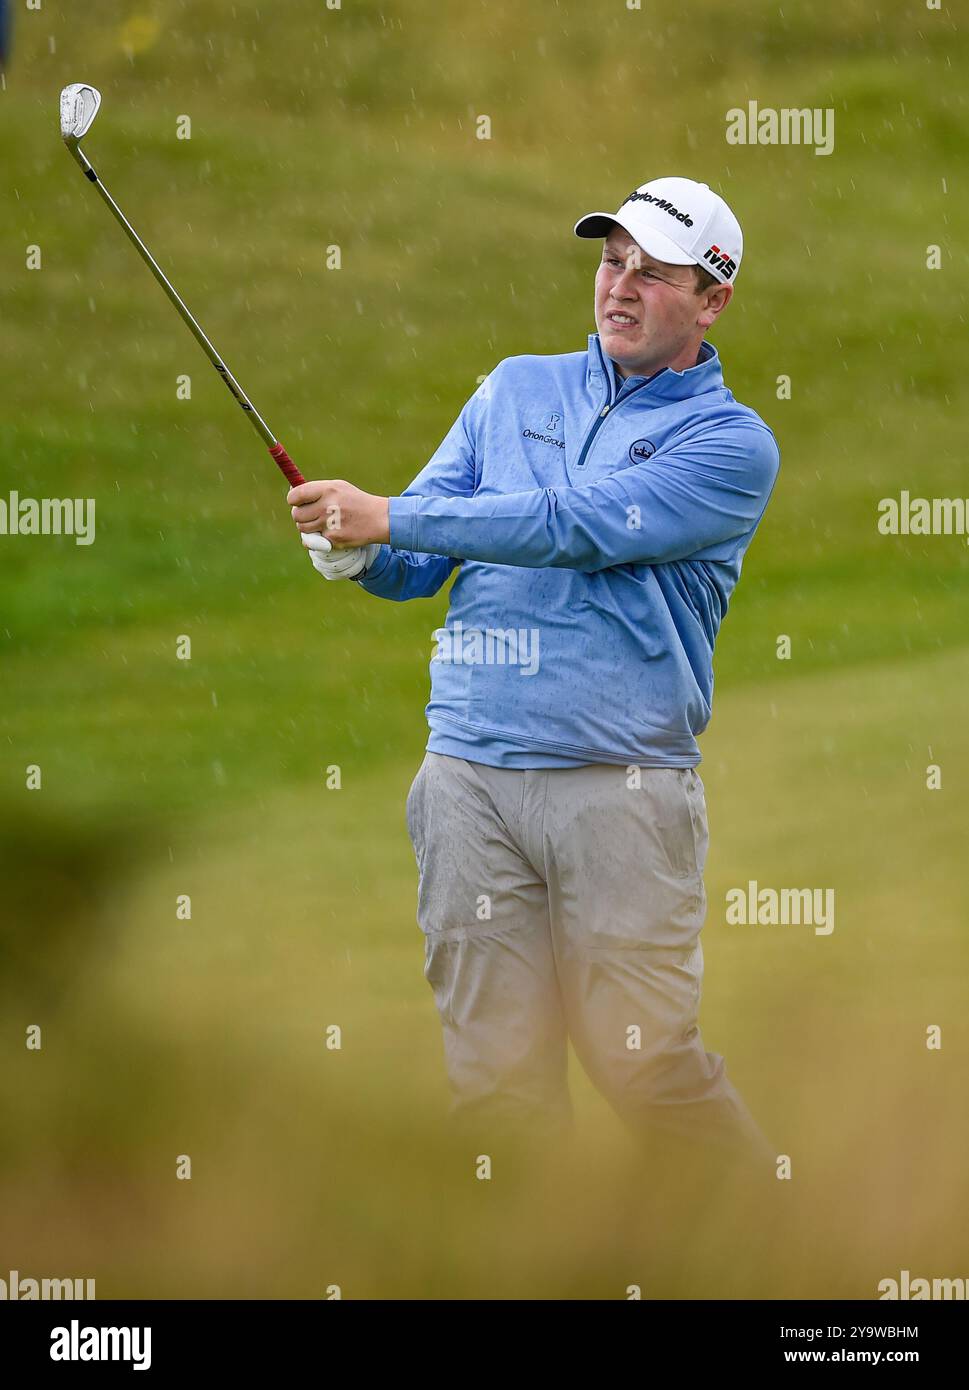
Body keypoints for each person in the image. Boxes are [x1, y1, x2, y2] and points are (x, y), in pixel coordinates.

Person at [288, 176, 781, 1169]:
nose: (621, 287)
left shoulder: (732, 446)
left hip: (621, 788)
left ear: (713, 300)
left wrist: (390, 514)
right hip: (467, 781)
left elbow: (579, 526)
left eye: (653, 272)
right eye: (611, 261)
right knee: (495, 1079)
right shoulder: (514, 387)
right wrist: (358, 553)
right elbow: (415, 561)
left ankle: (786, 1268)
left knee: (645, 1067)